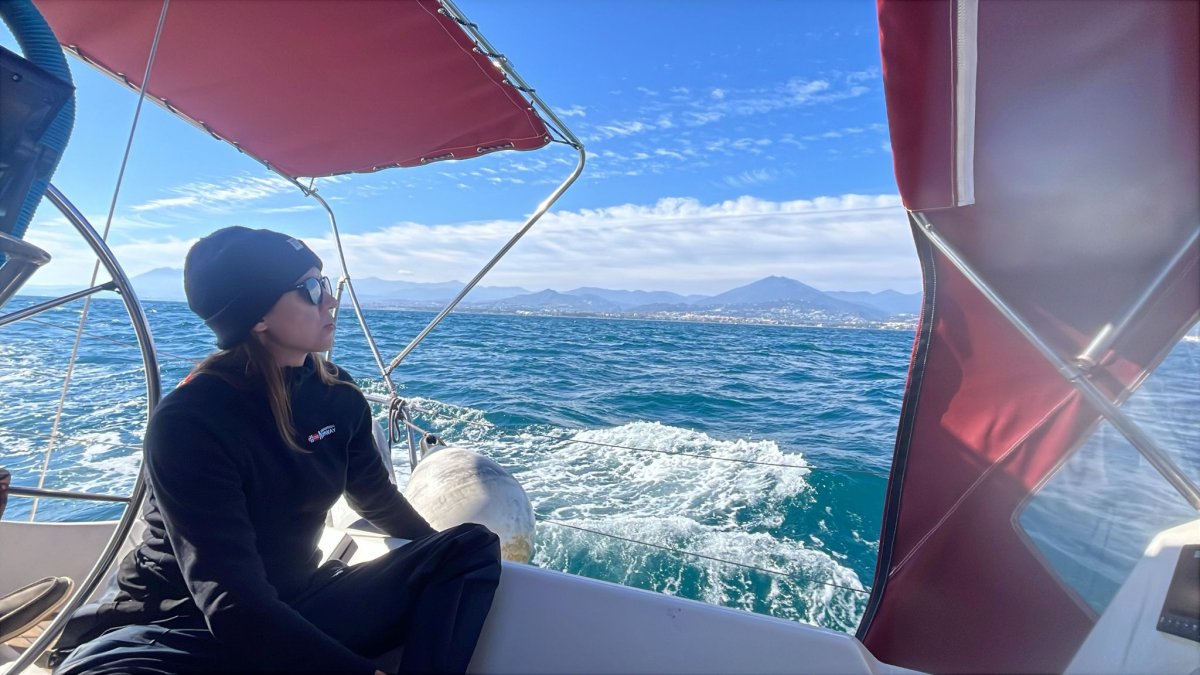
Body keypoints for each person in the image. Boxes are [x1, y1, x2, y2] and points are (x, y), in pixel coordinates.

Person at [53, 227, 501, 674]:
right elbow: (230, 603)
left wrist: (430, 553)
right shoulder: (193, 421)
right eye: (309, 289)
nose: (329, 300)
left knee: (466, 549)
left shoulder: (338, 395)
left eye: (325, 284)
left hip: (296, 603)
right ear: (257, 316)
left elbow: (376, 497)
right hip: (177, 628)